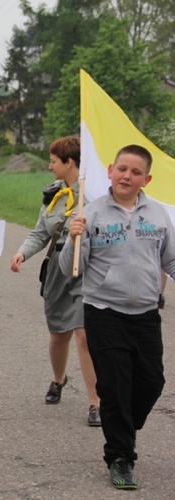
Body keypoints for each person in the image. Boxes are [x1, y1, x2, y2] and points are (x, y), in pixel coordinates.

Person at [60, 144, 175, 490]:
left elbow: (169, 261)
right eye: (122, 169)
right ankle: (120, 457)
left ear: (146, 178)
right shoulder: (90, 214)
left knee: (152, 382)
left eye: (135, 172)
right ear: (110, 170)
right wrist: (72, 239)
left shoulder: (157, 215)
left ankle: (122, 425)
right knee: (114, 385)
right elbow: (70, 269)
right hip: (103, 312)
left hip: (144, 313)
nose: (127, 176)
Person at [9, 136, 100, 425]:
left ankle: (96, 403)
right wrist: (23, 253)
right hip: (58, 270)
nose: (49, 166)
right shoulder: (53, 196)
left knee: (85, 335)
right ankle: (58, 379)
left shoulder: (95, 197)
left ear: (69, 163)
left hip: (87, 269)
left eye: (53, 161)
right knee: (59, 334)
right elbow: (40, 232)